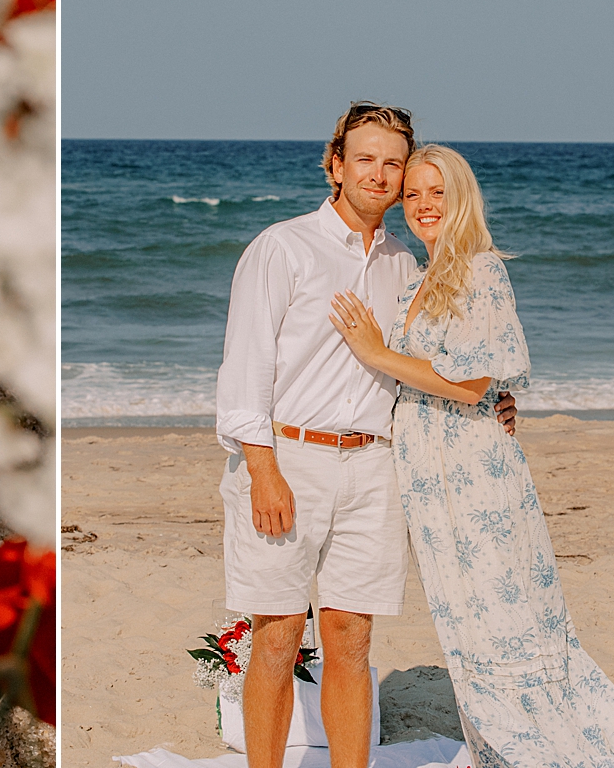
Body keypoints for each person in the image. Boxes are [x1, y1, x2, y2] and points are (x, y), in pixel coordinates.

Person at [214, 103, 517, 768]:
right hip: (288, 458)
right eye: (365, 158)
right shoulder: (282, 247)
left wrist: (493, 399)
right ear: (335, 164)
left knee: (351, 638)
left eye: (392, 162)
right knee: (278, 635)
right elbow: (243, 371)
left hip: (376, 467)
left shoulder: (403, 262)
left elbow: (433, 357)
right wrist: (263, 471)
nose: (379, 173)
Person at [329, 144, 614, 768]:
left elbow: (473, 383)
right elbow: (470, 381)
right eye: (413, 193)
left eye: (438, 193)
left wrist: (375, 353)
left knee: (506, 618)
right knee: (466, 625)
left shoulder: (480, 270)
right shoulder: (421, 280)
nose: (423, 205)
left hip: (475, 477)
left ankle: (540, 751)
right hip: (430, 478)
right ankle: (499, 749)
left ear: (462, 200)